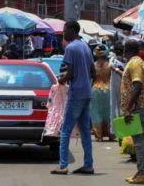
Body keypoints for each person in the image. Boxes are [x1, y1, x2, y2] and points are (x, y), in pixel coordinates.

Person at [51, 20, 95, 176]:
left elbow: (69, 73)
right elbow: (93, 73)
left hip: (76, 93)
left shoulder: (70, 48)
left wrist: (61, 80)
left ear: (72, 30)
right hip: (87, 92)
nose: (63, 33)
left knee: (65, 130)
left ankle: (63, 165)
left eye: (65, 30)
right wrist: (87, 85)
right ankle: (88, 165)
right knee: (84, 130)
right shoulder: (86, 47)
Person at [120, 39, 144, 184]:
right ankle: (141, 171)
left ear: (126, 50)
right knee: (137, 141)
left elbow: (137, 86)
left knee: (139, 142)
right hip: (138, 106)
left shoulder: (134, 63)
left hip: (138, 107)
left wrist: (128, 109)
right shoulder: (138, 62)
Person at [90, 46, 113, 141]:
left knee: (96, 112)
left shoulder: (93, 65)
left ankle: (99, 135)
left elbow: (91, 78)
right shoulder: (110, 65)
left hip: (95, 90)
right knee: (108, 113)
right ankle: (109, 133)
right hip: (108, 90)